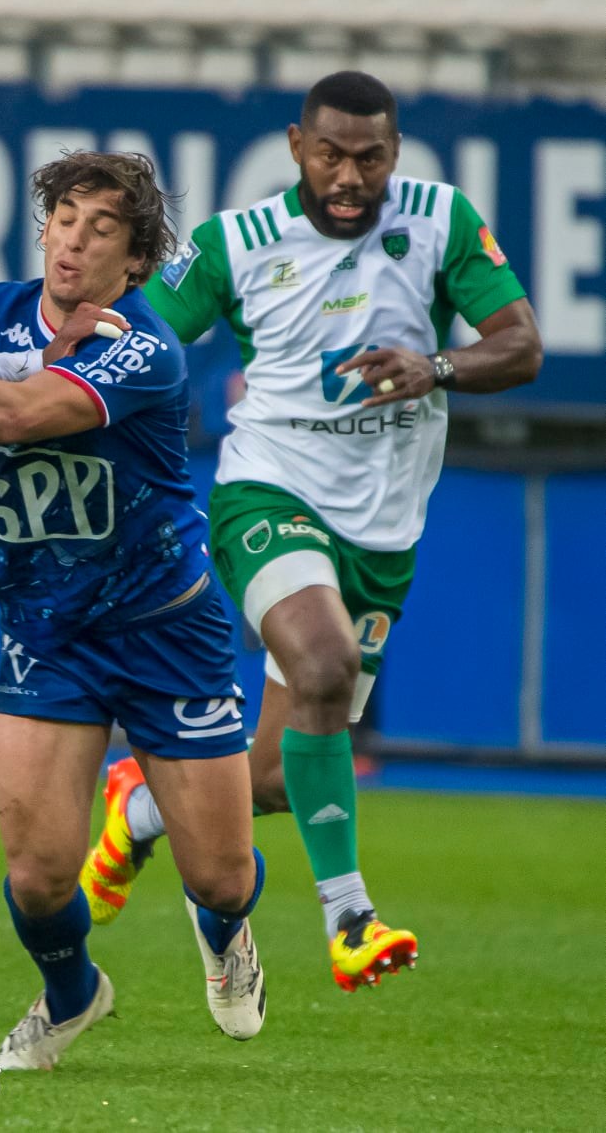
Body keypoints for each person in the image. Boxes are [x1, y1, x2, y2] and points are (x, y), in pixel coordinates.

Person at [79, 71, 542, 992]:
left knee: (275, 778)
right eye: (329, 154)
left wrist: (436, 366)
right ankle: (349, 919)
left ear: (395, 153)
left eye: (369, 158)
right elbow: (137, 339)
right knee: (323, 663)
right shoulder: (237, 242)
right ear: (297, 146)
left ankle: (138, 809)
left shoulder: (440, 222)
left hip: (382, 529)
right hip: (267, 492)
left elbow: (520, 344)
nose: (348, 176)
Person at [0, 150, 266, 1070]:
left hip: (166, 628)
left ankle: (223, 929)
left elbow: (17, 414)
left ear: (137, 261)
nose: (75, 242)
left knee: (220, 875)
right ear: (43, 227)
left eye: (103, 229)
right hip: (46, 634)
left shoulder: (144, 344)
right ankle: (72, 994)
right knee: (38, 876)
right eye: (65, 219)